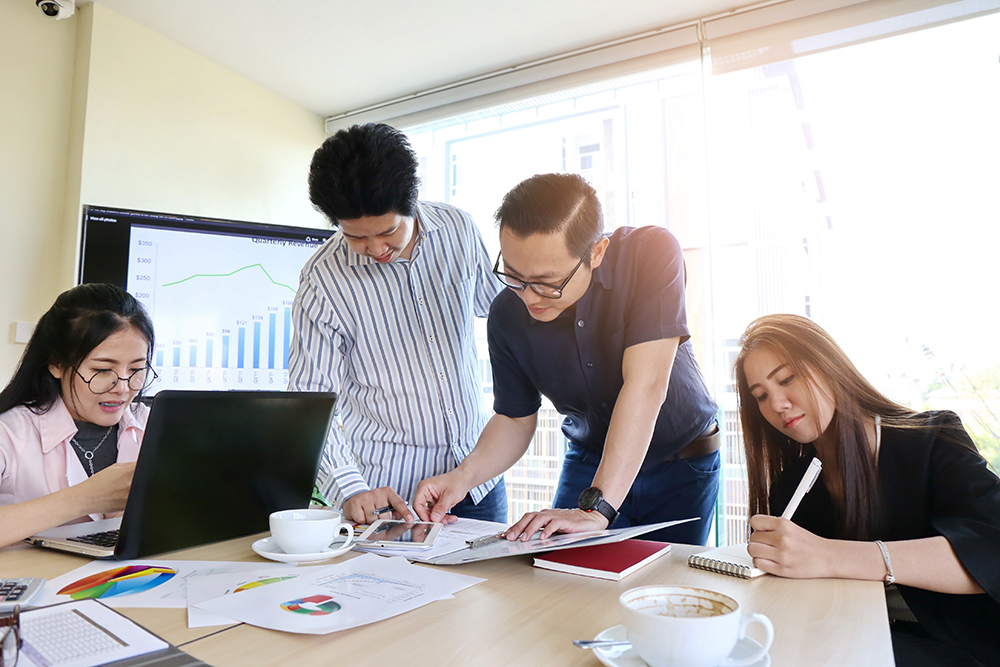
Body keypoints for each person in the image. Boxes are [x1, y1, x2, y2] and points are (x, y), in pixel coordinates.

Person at [415, 173, 721, 545]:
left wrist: (597, 510)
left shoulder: (650, 252)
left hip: (682, 461)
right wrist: (462, 478)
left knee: (666, 588)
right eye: (513, 276)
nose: (529, 298)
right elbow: (514, 416)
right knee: (557, 572)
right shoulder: (506, 314)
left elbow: (646, 385)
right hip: (589, 457)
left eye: (547, 282)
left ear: (596, 252)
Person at [736, 314, 1000, 667]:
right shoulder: (791, 489)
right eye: (762, 396)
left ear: (829, 366)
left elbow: (991, 551)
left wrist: (830, 555)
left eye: (787, 379)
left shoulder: (933, 438)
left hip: (964, 646)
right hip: (847, 636)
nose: (777, 404)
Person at [288, 123, 505, 525]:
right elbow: (308, 404)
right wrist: (349, 488)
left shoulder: (457, 230)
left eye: (388, 232)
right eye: (356, 237)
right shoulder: (322, 280)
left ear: (413, 199)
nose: (375, 249)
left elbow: (501, 309)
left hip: (477, 480)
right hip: (390, 497)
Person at [0, 283, 155, 549]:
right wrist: (85, 498)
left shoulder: (151, 423)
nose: (123, 387)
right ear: (57, 364)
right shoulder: (9, 433)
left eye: (137, 369)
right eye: (103, 370)